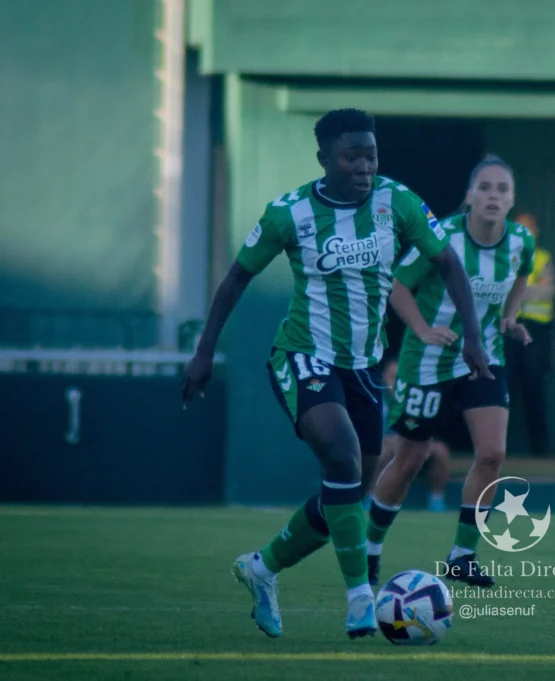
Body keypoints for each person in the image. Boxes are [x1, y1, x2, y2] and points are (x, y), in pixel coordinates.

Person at [179, 108, 492, 640]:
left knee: (345, 496)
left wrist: (474, 338)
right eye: (352, 157)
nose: (365, 166)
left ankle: (262, 568)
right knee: (343, 457)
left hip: (363, 368)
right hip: (303, 355)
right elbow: (236, 278)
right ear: (324, 159)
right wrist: (204, 352)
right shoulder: (289, 213)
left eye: (371, 155)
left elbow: (449, 265)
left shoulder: (398, 202)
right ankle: (360, 598)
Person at [364, 154, 534, 589]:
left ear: (512, 199)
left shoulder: (520, 241)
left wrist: (510, 317)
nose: (493, 196)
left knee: (492, 454)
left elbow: (523, 276)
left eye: (502, 189)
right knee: (409, 460)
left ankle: (462, 556)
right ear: (469, 196)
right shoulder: (442, 237)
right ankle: (369, 549)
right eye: (485, 187)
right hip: (428, 362)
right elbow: (397, 287)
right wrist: (423, 329)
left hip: (483, 359)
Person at [369, 357, 451, 512]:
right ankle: (370, 496)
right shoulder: (375, 398)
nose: (396, 382)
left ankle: (436, 499)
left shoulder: (416, 399)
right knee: (384, 448)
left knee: (440, 450)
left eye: (400, 377)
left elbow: (428, 431)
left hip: (413, 445)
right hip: (385, 445)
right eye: (392, 377)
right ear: (384, 378)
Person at [506, 212, 555, 456]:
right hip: (508, 331)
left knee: (534, 390)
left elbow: (548, 291)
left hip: (536, 332)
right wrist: (530, 289)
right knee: (505, 390)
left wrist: (518, 290)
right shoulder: (503, 258)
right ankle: (495, 450)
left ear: (535, 233)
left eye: (528, 230)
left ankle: (540, 453)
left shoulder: (543, 258)